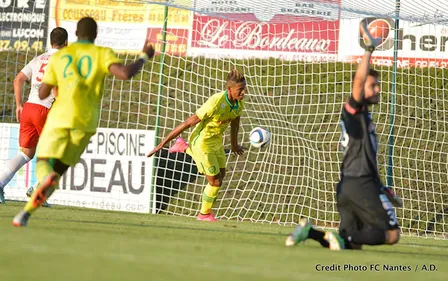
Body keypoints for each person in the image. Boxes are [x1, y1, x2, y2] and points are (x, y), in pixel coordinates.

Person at [12, 17, 155, 227]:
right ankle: (25, 213)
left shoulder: (62, 56)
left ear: (76, 34)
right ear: (95, 35)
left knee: (43, 163)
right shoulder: (102, 53)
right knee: (58, 170)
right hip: (86, 123)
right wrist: (144, 56)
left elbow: (43, 93)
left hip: (60, 118)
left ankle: (42, 183)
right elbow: (125, 74)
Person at [285, 21, 402, 250]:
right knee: (392, 234)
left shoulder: (363, 116)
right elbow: (358, 83)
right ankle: (343, 237)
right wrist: (369, 50)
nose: (377, 89)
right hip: (360, 185)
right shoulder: (353, 110)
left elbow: (364, 157)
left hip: (348, 185)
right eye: (373, 85)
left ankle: (311, 232)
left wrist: (382, 189)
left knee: (349, 244)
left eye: (377, 85)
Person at [147, 69, 247, 222]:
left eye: (244, 88)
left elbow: (235, 123)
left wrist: (234, 145)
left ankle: (184, 147)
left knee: (221, 175)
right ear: (229, 89)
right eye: (240, 90)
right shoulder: (215, 102)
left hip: (216, 142)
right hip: (202, 144)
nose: (244, 92)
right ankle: (204, 214)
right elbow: (188, 122)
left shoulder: (239, 102)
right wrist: (162, 143)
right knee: (215, 182)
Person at [0, 27, 68, 206]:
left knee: (26, 153)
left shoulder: (38, 58)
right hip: (45, 110)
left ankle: (0, 183)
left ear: (50, 42)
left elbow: (18, 80)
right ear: (66, 43)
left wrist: (19, 105)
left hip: (29, 108)